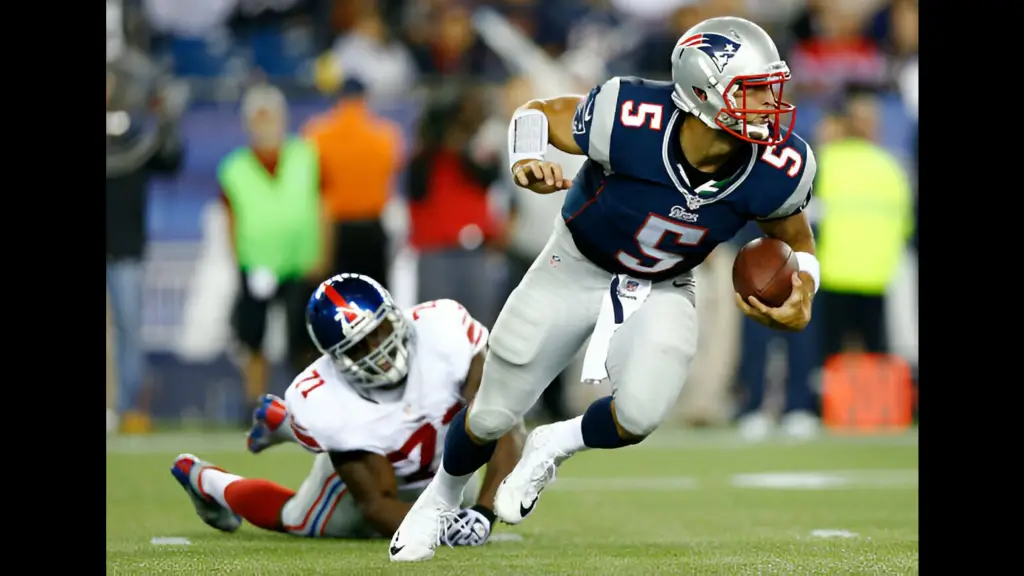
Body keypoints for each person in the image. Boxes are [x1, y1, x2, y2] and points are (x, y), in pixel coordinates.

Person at [391, 16, 821, 562]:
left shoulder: (781, 165)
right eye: (754, 94)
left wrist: (805, 284)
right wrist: (527, 157)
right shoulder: (631, 113)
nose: (770, 108)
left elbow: (797, 239)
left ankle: (554, 443)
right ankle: (439, 498)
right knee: (492, 414)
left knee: (640, 414)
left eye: (770, 91)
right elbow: (536, 115)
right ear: (701, 92)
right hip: (576, 262)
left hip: (666, 281)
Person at [170, 274, 521, 544]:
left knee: (495, 415)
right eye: (358, 347)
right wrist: (442, 529)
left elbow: (500, 424)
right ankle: (204, 479)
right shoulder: (326, 401)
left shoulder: (444, 328)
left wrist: (483, 514)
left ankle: (283, 424)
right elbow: (377, 504)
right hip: (388, 467)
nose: (378, 350)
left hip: (440, 463)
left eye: (380, 330)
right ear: (334, 359)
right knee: (297, 518)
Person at [220, 84, 332, 421]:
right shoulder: (234, 167)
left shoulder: (306, 156)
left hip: (301, 261)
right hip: (256, 263)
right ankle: (255, 407)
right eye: (259, 118)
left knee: (305, 340)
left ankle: (311, 407)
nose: (266, 125)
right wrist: (237, 259)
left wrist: (322, 253)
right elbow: (230, 217)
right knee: (252, 338)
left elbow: (323, 207)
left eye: (270, 118)